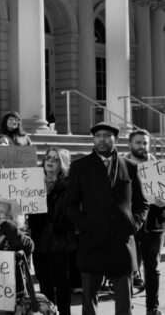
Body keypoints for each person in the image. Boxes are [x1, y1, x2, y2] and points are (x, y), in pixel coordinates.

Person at [64, 121, 149, 315]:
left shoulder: (131, 167)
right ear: (93, 139)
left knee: (124, 302)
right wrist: (84, 225)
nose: (101, 139)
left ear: (116, 139)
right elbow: (69, 204)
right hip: (92, 241)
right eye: (97, 136)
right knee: (89, 300)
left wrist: (133, 224)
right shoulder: (80, 167)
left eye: (106, 136)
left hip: (122, 243)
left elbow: (142, 203)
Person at [28, 148, 75, 315]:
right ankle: (49, 312)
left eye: (55, 159)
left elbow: (72, 212)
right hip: (39, 240)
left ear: (61, 163)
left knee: (61, 283)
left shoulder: (68, 185)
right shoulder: (34, 182)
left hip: (60, 241)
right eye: (48, 157)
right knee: (44, 282)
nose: (50, 161)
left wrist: (62, 227)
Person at [125, 129, 164, 315]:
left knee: (153, 268)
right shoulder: (121, 165)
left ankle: (152, 308)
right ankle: (127, 305)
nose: (143, 146)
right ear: (130, 144)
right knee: (128, 267)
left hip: (155, 224)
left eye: (145, 143)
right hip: (130, 223)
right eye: (139, 142)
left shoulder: (159, 167)